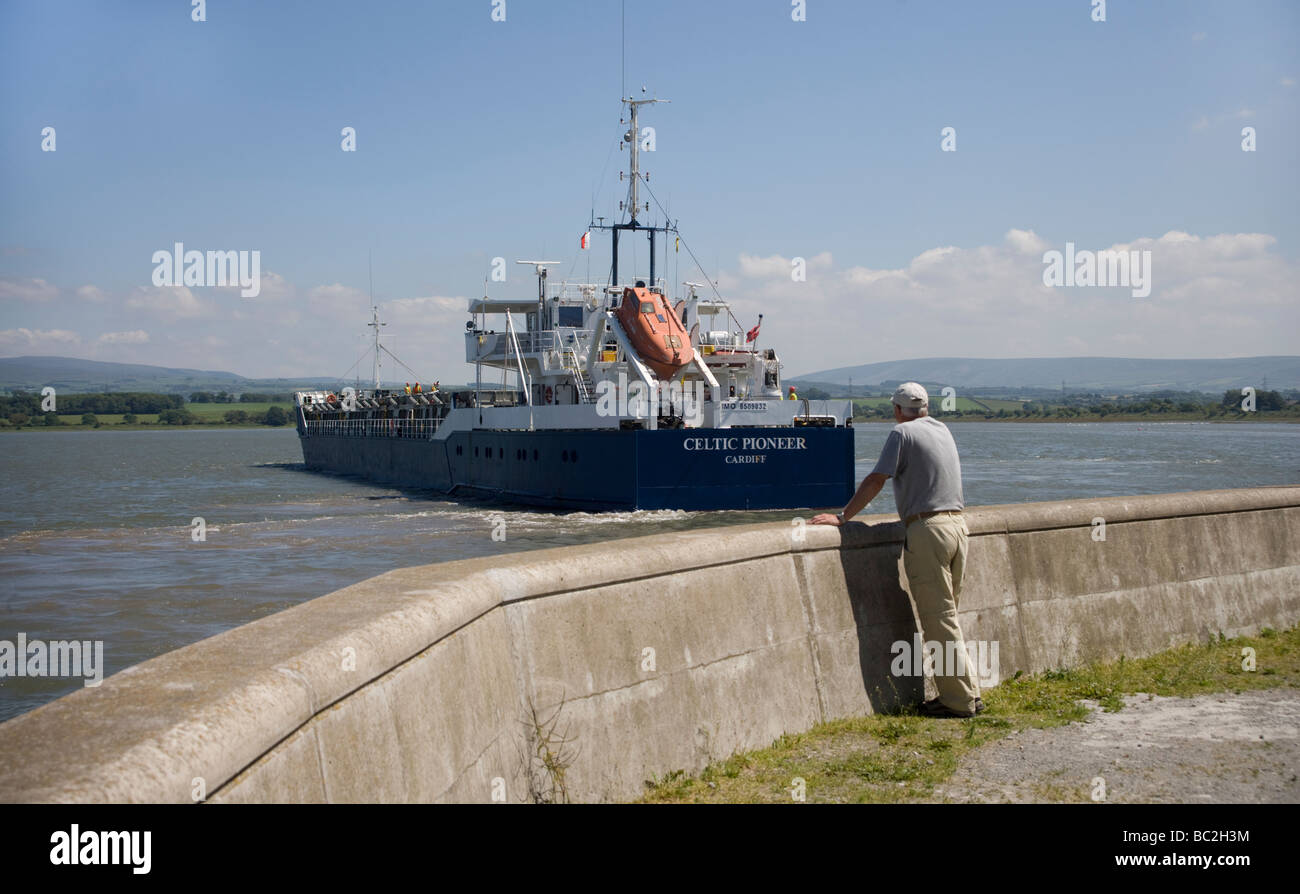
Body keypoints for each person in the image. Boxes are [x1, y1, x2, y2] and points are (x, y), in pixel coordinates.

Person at [811, 382, 984, 718]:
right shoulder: (942, 429)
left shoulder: (901, 434)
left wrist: (842, 516)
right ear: (926, 407)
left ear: (896, 410)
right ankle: (967, 693)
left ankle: (959, 702)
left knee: (939, 621)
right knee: (947, 619)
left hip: (928, 531)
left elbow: (877, 478)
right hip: (959, 528)